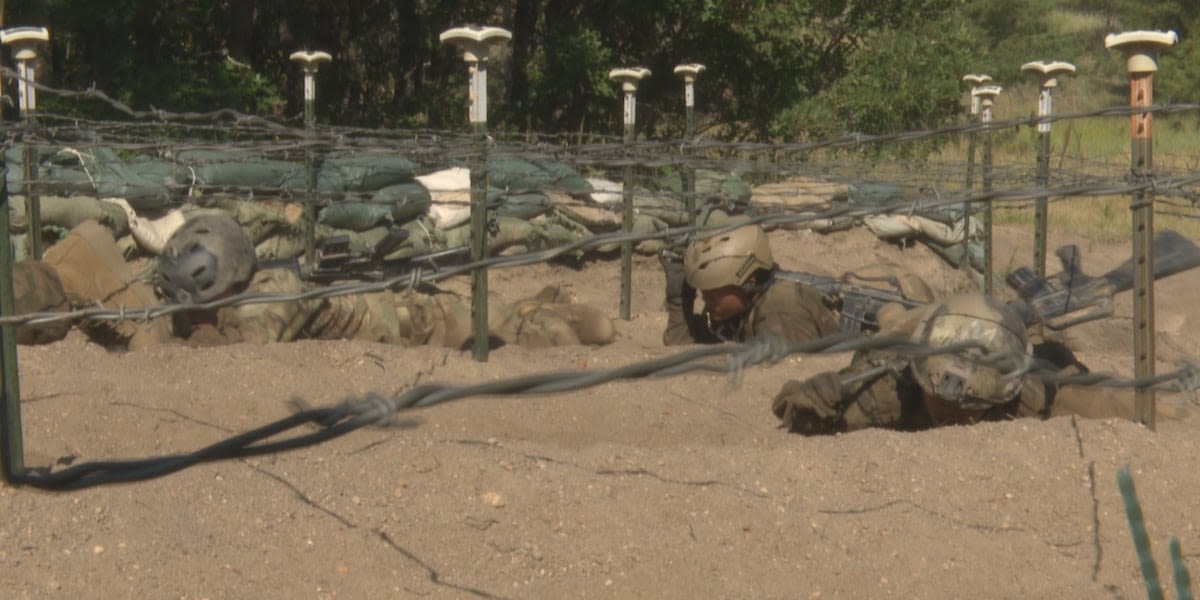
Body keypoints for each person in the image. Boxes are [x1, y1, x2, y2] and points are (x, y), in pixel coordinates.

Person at [153, 214, 615, 349]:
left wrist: (181, 342)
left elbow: (244, 346)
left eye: (198, 305)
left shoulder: (272, 293)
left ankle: (544, 308)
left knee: (581, 332)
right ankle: (533, 304)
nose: (190, 317)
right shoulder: (240, 294)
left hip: (423, 323)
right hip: (399, 316)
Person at [770, 292, 1193, 435]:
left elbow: (1128, 406)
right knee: (895, 321)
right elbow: (814, 406)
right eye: (945, 405)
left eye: (972, 410)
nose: (960, 422)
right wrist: (812, 401)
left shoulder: (1035, 390)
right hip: (918, 326)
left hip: (1003, 342)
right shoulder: (893, 385)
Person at [660, 224, 840, 346]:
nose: (705, 297)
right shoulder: (741, 305)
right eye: (703, 290)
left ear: (748, 281)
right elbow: (680, 341)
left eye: (715, 291)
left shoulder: (781, 311)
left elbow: (777, 377)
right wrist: (680, 297)